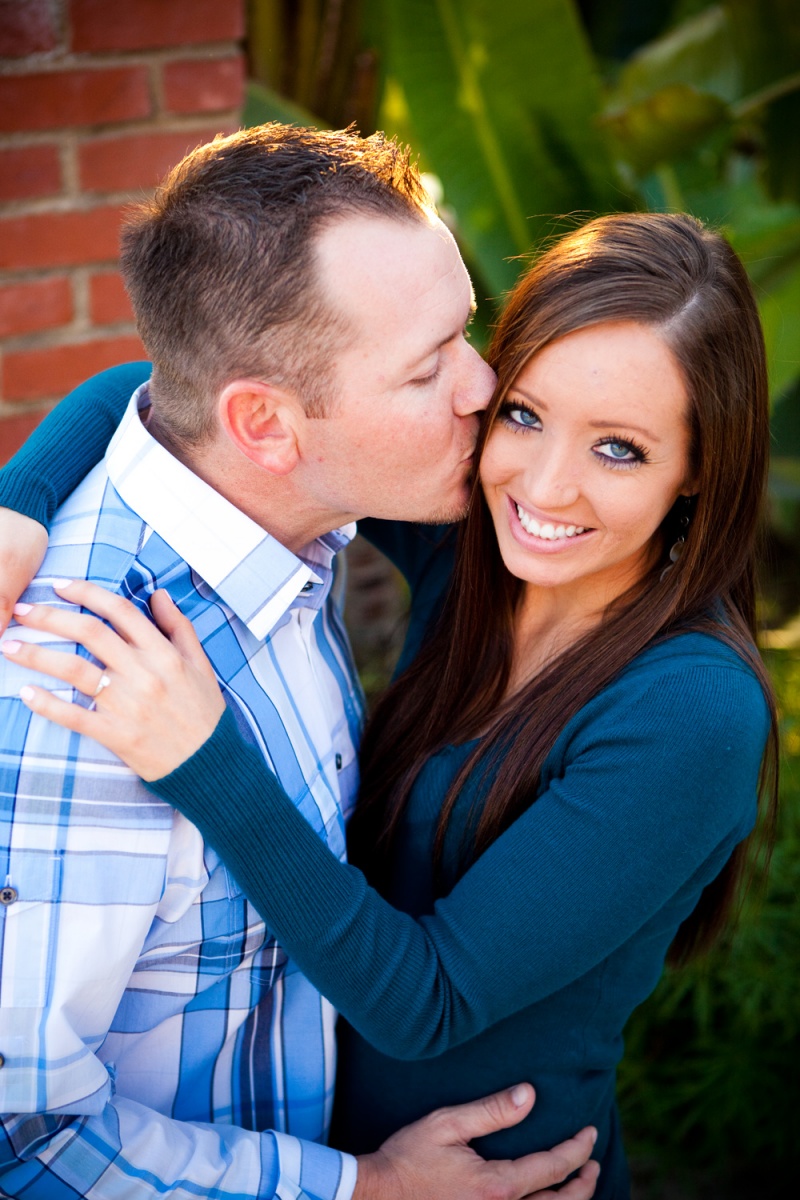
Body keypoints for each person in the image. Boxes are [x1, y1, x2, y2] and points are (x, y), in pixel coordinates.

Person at [0, 209, 780, 1197]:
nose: (543, 484)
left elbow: (426, 1001)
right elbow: (196, 406)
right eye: (525, 415)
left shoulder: (689, 712)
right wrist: (18, 503)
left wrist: (202, 758)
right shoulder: (479, 555)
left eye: (617, 450)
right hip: (338, 1163)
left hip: (488, 1181)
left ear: (698, 468)